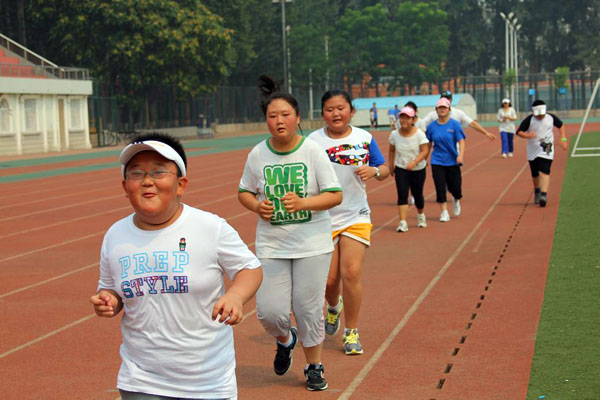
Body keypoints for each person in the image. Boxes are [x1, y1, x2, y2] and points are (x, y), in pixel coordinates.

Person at [90, 132, 263, 400]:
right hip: (141, 378)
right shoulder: (115, 236)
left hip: (207, 381)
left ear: (181, 184)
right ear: (125, 187)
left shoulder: (209, 227)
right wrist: (109, 300)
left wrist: (235, 296)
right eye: (136, 174)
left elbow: (249, 269)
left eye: (159, 172)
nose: (147, 181)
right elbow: (111, 288)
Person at [238, 75, 343, 391]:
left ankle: (314, 366)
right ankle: (285, 340)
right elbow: (244, 192)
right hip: (272, 244)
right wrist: (257, 207)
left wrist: (304, 202)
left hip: (312, 243)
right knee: (269, 312)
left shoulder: (312, 151)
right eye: (272, 116)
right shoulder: (258, 154)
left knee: (307, 307)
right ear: (266, 121)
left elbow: (334, 194)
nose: (279, 121)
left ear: (297, 118)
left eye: (285, 115)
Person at [308, 89, 389, 356]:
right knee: (330, 282)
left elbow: (385, 168)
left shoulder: (363, 138)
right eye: (330, 109)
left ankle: (351, 331)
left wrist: (375, 171)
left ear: (351, 112)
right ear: (323, 114)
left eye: (341, 108)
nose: (336, 113)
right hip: (323, 218)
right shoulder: (313, 141)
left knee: (351, 272)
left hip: (356, 214)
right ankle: (334, 307)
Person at [515, 99, 567, 207]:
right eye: (537, 115)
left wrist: (563, 139)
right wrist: (528, 136)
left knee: (544, 170)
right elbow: (519, 132)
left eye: (541, 114)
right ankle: (537, 191)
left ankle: (544, 195)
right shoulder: (529, 120)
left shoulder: (551, 118)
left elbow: (561, 125)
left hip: (546, 146)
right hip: (533, 148)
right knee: (535, 173)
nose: (540, 117)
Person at [388, 106, 429, 232]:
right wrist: (391, 165)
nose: (404, 120)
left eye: (407, 117)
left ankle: (421, 215)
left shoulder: (419, 134)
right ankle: (402, 222)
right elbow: (391, 150)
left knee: (418, 195)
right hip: (401, 168)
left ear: (413, 119)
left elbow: (425, 150)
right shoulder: (394, 134)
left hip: (418, 169)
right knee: (402, 194)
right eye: (402, 117)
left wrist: (415, 161)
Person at [425, 97, 466, 222]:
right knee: (440, 187)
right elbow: (428, 143)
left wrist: (460, 155)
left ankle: (456, 199)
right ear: (436, 110)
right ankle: (444, 212)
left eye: (444, 107)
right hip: (437, 161)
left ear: (449, 109)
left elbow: (461, 141)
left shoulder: (455, 124)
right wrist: (424, 158)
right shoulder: (431, 127)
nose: (442, 110)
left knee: (456, 188)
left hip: (453, 161)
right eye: (440, 108)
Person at [422, 90, 495, 141]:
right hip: (439, 150)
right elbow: (422, 123)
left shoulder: (458, 113)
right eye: (444, 98)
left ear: (451, 100)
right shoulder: (433, 114)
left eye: (448, 98)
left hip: (454, 149)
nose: (446, 100)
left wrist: (486, 133)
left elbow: (472, 124)